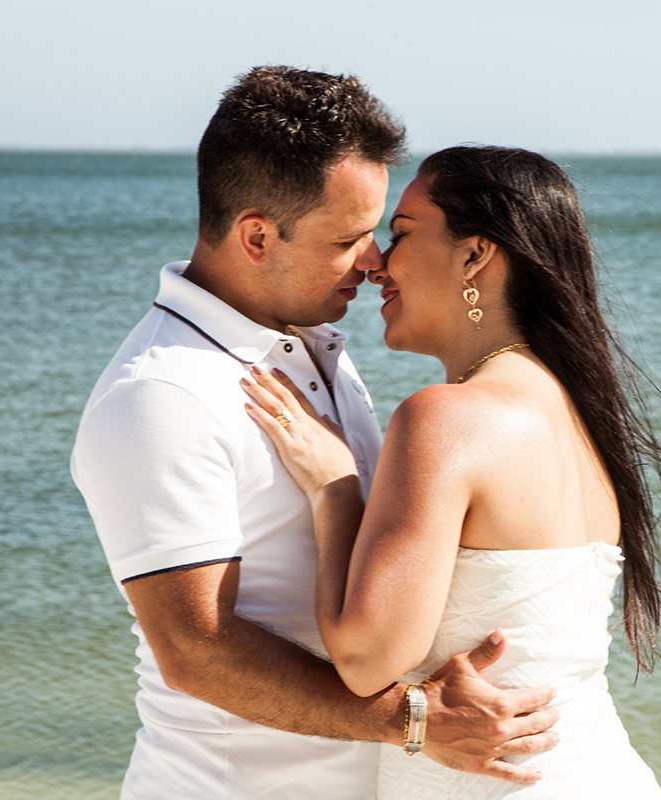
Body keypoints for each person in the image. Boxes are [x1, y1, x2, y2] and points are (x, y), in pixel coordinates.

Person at [70, 69, 558, 800]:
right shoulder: (162, 395)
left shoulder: (315, 346)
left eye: (378, 231)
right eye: (350, 238)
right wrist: (415, 720)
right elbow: (194, 651)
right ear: (258, 236)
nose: (375, 262)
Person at [242, 145, 661, 798]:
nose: (375, 264)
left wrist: (334, 487)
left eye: (399, 236)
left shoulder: (447, 419)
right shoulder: (579, 414)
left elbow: (367, 660)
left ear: (475, 254)